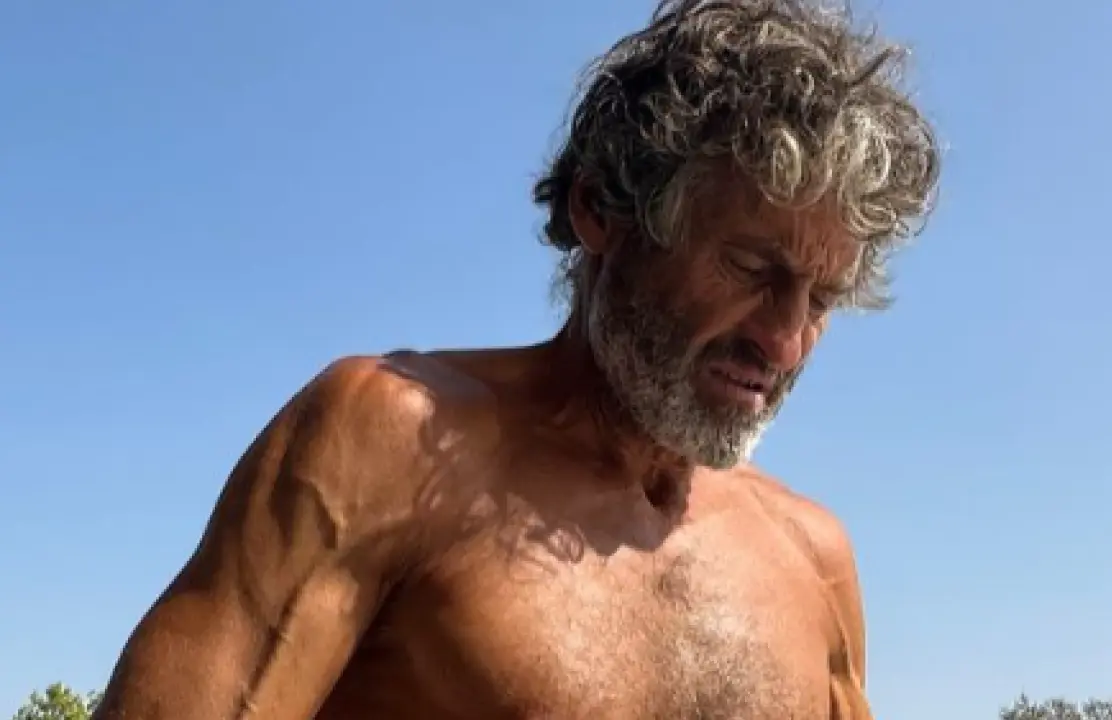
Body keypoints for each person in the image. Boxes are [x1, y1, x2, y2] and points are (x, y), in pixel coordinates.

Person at [92, 0, 939, 717]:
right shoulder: (382, 444)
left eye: (822, 299)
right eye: (750, 268)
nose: (786, 341)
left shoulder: (813, 559)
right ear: (600, 210)